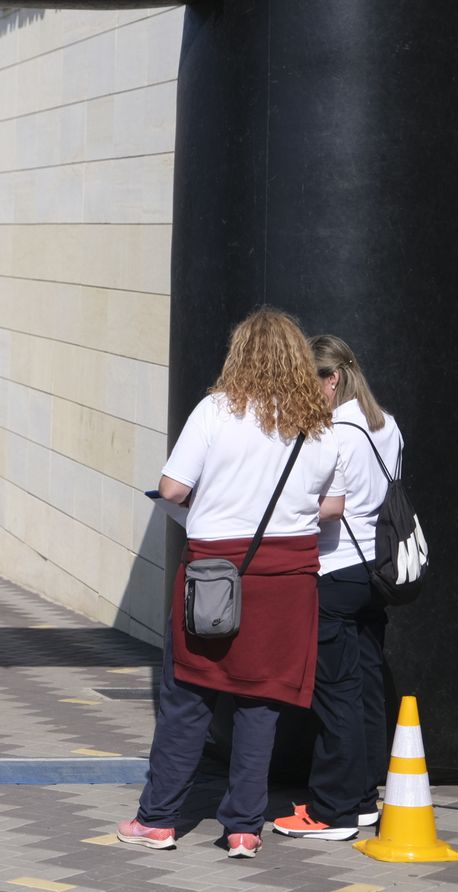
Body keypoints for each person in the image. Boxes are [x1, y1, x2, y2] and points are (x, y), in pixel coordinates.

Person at [117, 308, 340, 860]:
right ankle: (243, 827)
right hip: (288, 582)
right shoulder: (319, 424)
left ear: (239, 354)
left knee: (188, 696)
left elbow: (171, 489)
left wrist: (215, 503)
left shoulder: (216, 410)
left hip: (216, 574)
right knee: (261, 704)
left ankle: (159, 820)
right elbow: (331, 507)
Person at [271, 335, 401, 841]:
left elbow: (332, 504)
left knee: (335, 694)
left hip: (335, 569)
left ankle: (333, 810)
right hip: (377, 571)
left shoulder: (330, 432)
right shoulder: (386, 424)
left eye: (310, 382)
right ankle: (364, 797)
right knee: (367, 685)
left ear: (332, 379)